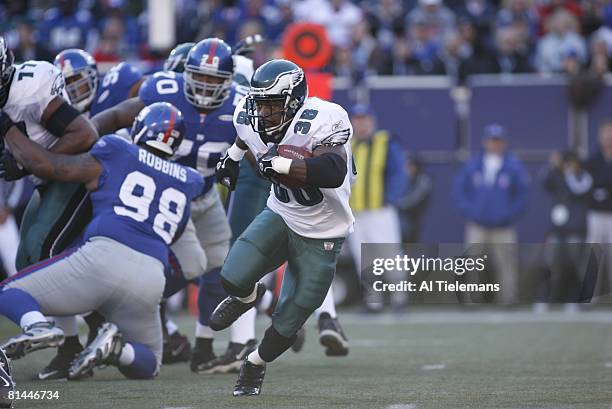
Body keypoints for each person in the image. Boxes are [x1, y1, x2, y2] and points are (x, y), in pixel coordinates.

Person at [0, 102, 203, 380]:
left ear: (139, 130)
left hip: (103, 258)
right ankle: (118, 351)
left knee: (9, 292)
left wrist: (9, 128)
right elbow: (175, 233)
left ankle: (38, 327)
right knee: (150, 363)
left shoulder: (117, 150)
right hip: (151, 276)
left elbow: (52, 167)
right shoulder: (188, 180)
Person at [91, 38, 248, 373]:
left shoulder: (241, 104)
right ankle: (126, 309)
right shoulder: (164, 88)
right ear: (185, 74)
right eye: (199, 77)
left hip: (205, 196)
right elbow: (120, 115)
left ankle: (203, 347)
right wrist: (84, 135)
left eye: (214, 79)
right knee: (184, 263)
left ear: (229, 81)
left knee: (221, 266)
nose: (205, 86)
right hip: (166, 194)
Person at [213, 59, 354, 396]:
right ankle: (250, 297)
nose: (263, 113)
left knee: (290, 318)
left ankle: (255, 364)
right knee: (232, 274)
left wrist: (286, 164)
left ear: (293, 101)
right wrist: (232, 156)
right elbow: (245, 134)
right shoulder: (251, 117)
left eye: (271, 105)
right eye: (259, 104)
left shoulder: (324, 118)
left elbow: (334, 169)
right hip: (282, 214)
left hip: (324, 231)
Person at [0, 37, 98, 273]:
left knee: (39, 255)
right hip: (45, 181)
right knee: (24, 263)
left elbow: (85, 134)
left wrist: (26, 166)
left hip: (73, 173)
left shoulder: (28, 89)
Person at [454, 123, 529, 304]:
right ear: (485, 142)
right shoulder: (474, 164)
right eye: (492, 141)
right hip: (477, 224)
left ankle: (508, 299)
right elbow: (459, 189)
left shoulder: (513, 166)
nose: (495, 145)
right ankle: (471, 299)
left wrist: (509, 213)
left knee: (506, 263)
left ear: (503, 143)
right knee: (472, 262)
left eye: (498, 141)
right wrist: (471, 211)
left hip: (503, 226)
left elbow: (522, 193)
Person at [347, 103, 408, 312]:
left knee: (389, 255)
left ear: (372, 121)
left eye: (364, 119)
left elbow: (399, 174)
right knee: (364, 260)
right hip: (355, 213)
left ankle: (399, 299)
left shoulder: (386, 142)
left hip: (379, 212)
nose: (361, 124)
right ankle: (373, 302)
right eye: (357, 119)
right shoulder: (348, 144)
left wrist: (389, 199)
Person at [584, 119, 612, 300]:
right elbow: (587, 187)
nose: (608, 137)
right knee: (592, 255)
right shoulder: (592, 160)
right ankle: (589, 296)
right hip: (596, 215)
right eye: (605, 134)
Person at [398, 154, 432, 244]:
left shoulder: (423, 180)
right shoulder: (401, 178)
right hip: (400, 218)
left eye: (412, 166)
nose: (409, 168)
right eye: (408, 166)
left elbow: (412, 200)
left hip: (413, 218)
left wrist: (396, 204)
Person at [0, 179, 22, 278]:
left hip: (4, 216)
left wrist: (9, 206)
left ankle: (17, 288)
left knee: (13, 261)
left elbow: (17, 181)